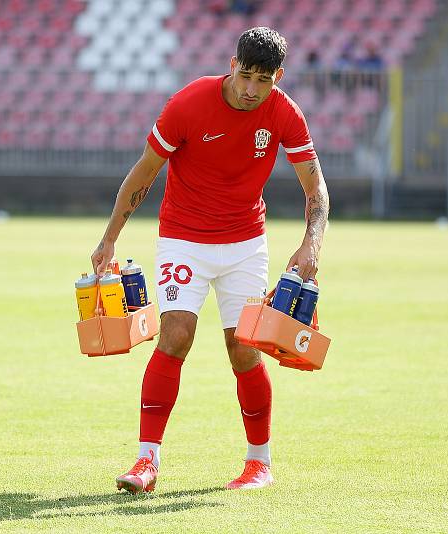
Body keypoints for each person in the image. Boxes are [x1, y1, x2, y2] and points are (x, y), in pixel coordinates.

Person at [91, 27, 330, 494]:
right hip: (184, 239)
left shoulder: (284, 113)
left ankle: (259, 463)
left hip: (245, 244)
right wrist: (109, 238)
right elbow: (143, 172)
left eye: (263, 80)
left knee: (244, 348)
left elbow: (316, 190)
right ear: (231, 63)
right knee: (176, 333)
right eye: (245, 76)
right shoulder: (188, 103)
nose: (250, 90)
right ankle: (145, 461)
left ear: (278, 77)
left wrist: (311, 246)